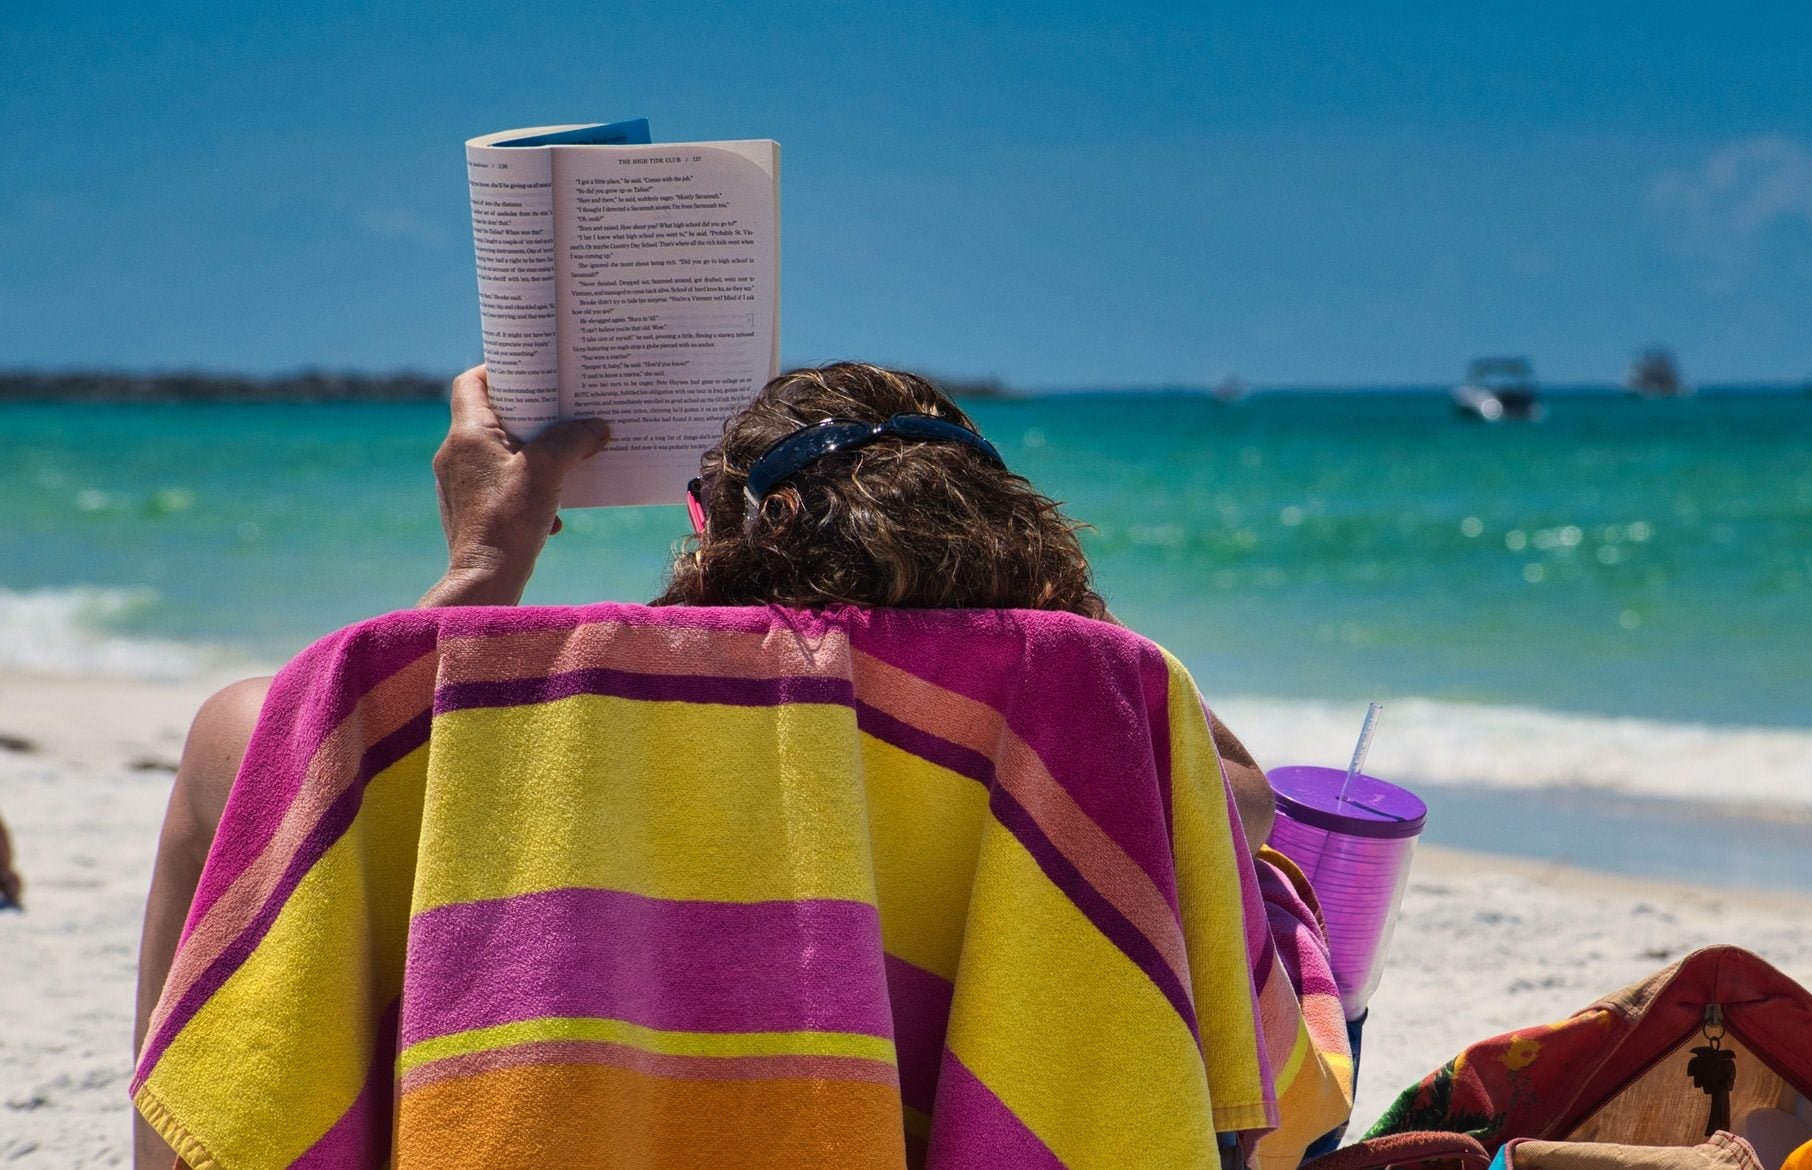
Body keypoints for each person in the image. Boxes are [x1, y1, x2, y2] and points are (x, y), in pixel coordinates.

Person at [134, 362, 1287, 1167]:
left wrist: (487, 564)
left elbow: (311, 742)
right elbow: (1241, 800)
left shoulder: (457, 717)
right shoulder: (1100, 735)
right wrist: (1061, 643)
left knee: (236, 746)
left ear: (710, 532)